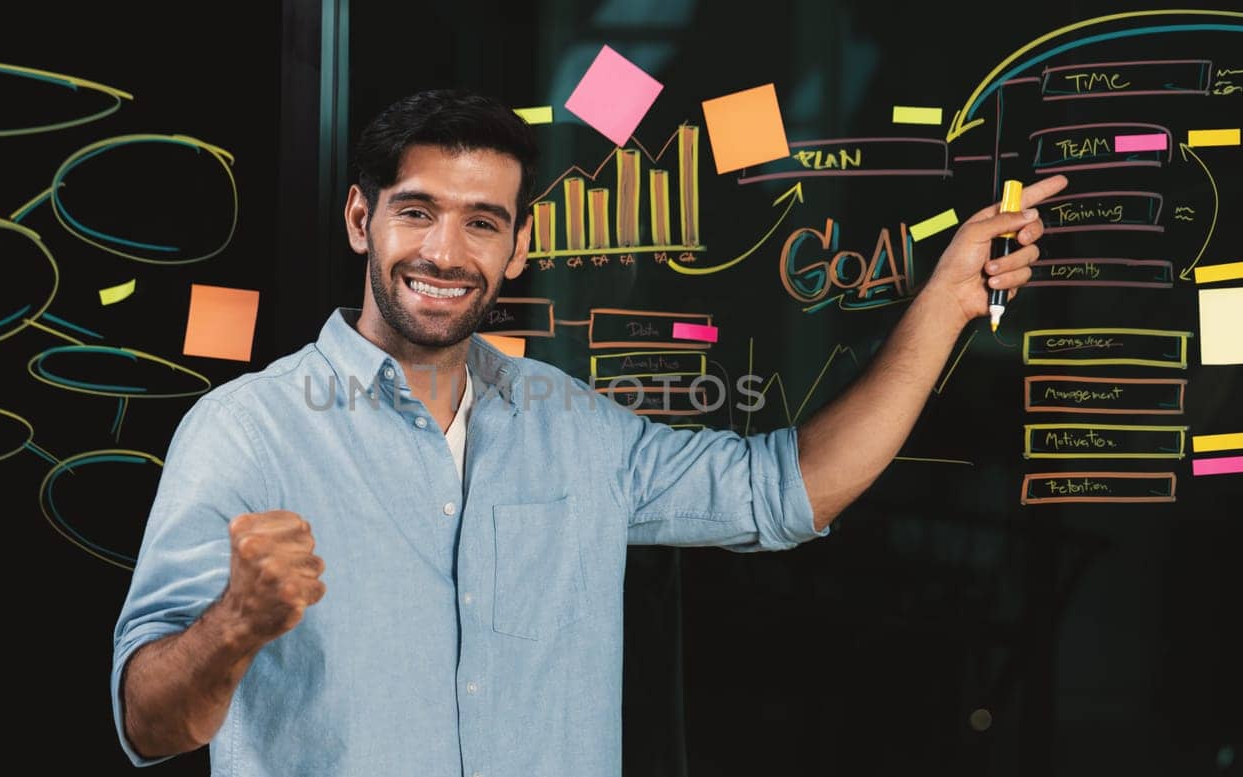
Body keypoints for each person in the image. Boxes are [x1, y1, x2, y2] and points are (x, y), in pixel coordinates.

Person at [111, 87, 1067, 775]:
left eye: (483, 223)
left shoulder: (570, 425)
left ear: (518, 246)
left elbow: (789, 488)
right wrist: (235, 623)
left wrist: (944, 303)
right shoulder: (245, 433)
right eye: (417, 213)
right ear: (362, 219)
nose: (447, 253)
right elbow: (148, 723)